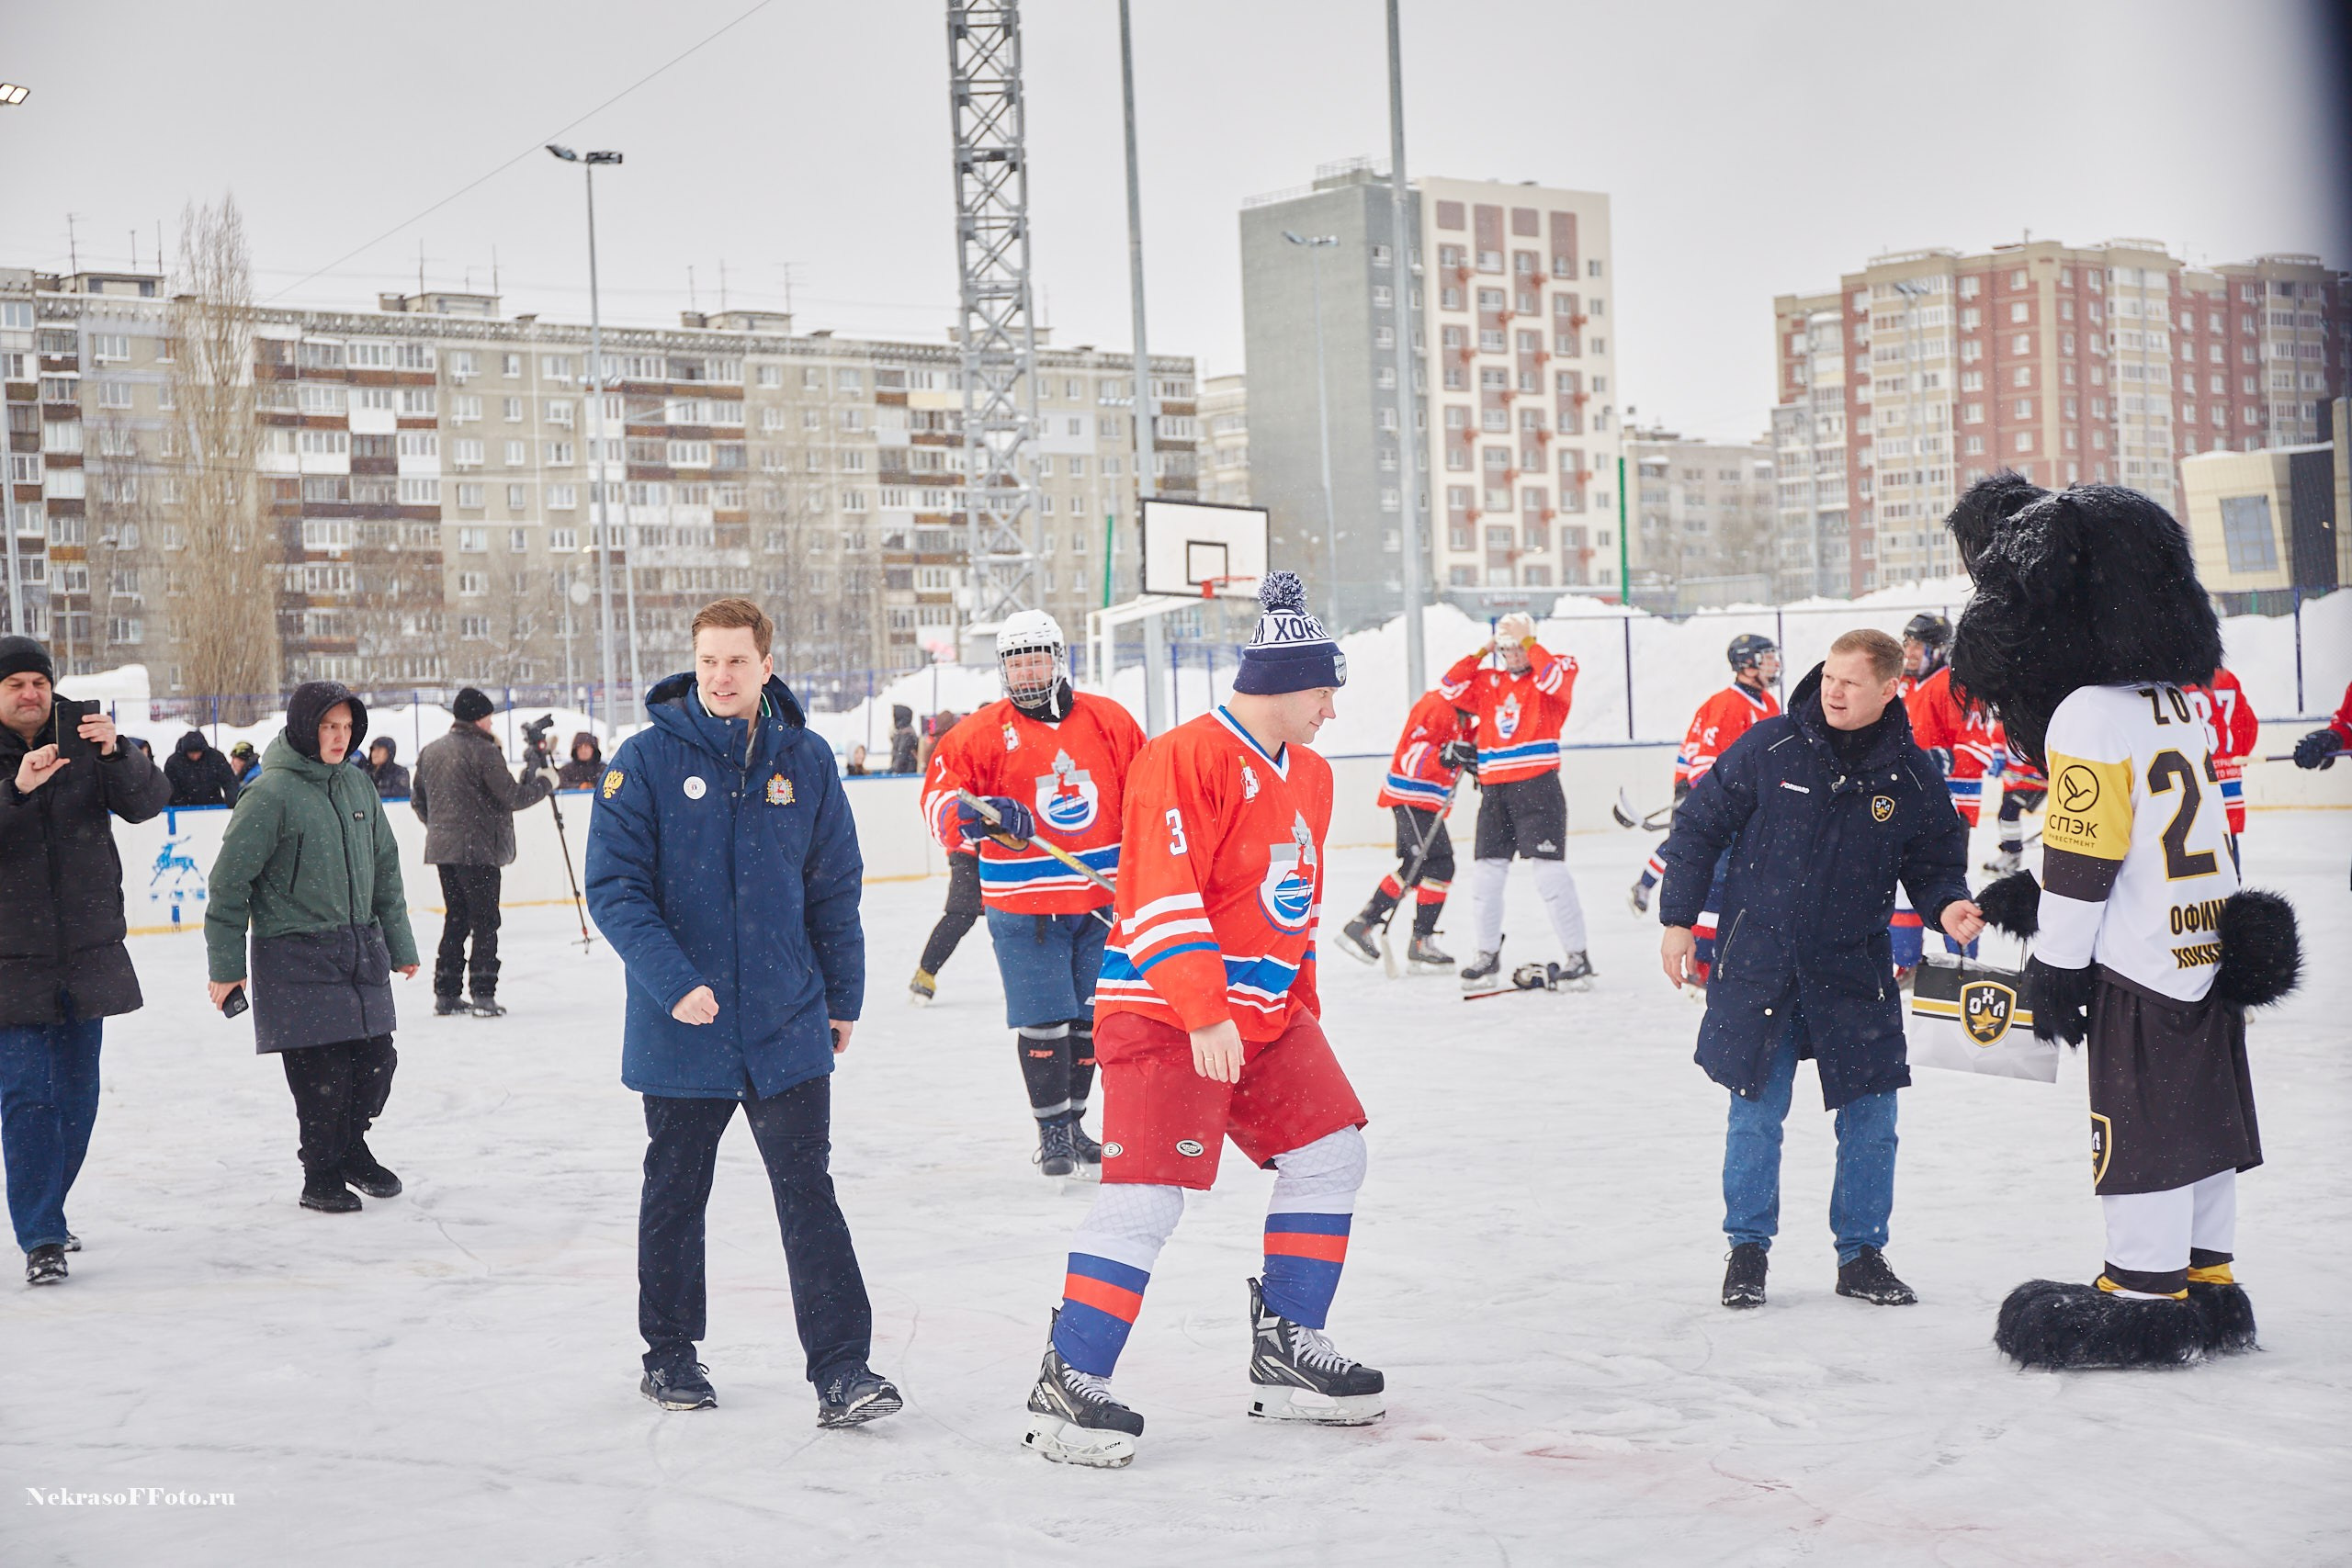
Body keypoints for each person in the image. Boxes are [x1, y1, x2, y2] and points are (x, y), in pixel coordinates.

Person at [1023, 572, 1380, 1470]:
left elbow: (1292, 909)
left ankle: (1288, 1347)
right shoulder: (1184, 757)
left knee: (1332, 1148)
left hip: (1262, 1016)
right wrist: (1200, 1007)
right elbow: (1160, 895)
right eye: (1323, 688)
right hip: (1164, 1015)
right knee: (1146, 1195)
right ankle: (1070, 1376)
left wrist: (1300, 1003)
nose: (1331, 708)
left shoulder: (1314, 776)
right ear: (1279, 683)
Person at [1947, 474, 2296, 1369]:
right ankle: (2208, 1281)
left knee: (2139, 1126)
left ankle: (2141, 1293)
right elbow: (2174, 831)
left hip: (2137, 967)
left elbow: (2085, 856)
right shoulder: (2175, 701)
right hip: (2203, 944)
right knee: (2206, 1122)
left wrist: (2056, 964)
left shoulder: (2086, 712)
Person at [584, 597, 898, 1427]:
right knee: (678, 1190)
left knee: (808, 1191)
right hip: (681, 1024)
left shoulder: (807, 760)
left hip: (786, 1018)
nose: (720, 676)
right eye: (708, 661)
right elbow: (615, 889)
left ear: (767, 665)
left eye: (736, 661)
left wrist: (842, 996)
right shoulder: (643, 762)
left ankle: (844, 1369)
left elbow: (834, 887)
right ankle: (671, 1353)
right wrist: (673, 979)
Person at [1657, 629, 1980, 1313]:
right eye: (1829, 676)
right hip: (1762, 962)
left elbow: (1934, 862)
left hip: (1852, 968)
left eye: (1851, 681)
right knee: (1755, 1114)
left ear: (1890, 687)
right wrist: (1679, 918)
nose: (1833, 690)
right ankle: (1747, 1250)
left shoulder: (1911, 774)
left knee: (1872, 1119)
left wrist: (1948, 905)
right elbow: (1698, 827)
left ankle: (1861, 1254)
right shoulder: (1770, 746)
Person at [921, 615, 1143, 1175]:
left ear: (1058, 658)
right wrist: (980, 817)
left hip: (1100, 904)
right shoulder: (978, 733)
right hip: (1024, 906)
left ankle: (1075, 1123)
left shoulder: (1110, 721)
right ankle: (1052, 1133)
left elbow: (1149, 793)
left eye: (1036, 658)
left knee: (1092, 1023)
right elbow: (940, 800)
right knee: (1043, 1021)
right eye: (1015, 661)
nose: (1026, 670)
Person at [205, 682, 422, 1214]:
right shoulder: (270, 793)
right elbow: (230, 883)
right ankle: (320, 1172)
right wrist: (226, 967)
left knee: (376, 1065)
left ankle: (350, 1148)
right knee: (323, 1080)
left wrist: (400, 944)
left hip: (360, 950)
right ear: (306, 728)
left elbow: (386, 871)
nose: (339, 737)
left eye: (347, 728)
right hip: (296, 954)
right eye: (329, 727)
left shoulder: (359, 787)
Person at [0, 636, 171, 1284]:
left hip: (87, 951)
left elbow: (148, 800)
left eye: (38, 682)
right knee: (25, 1097)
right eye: (15, 684)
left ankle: (50, 1205)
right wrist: (14, 791)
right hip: (11, 956)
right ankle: (40, 1233)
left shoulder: (85, 731)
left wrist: (118, 752)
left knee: (77, 1096)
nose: (30, 694)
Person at [1437, 612, 1592, 991]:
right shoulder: (1489, 681)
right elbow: (1449, 687)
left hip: (1538, 787)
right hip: (1495, 792)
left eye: (1518, 647)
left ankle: (1578, 956)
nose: (1513, 655)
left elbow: (1556, 682)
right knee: (1486, 875)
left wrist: (1529, 642)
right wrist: (1482, 650)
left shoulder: (1554, 669)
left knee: (1549, 874)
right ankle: (1486, 955)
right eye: (1505, 649)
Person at [1629, 636, 1781, 993]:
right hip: (1710, 802)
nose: (1774, 663)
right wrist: (1734, 802)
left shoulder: (1768, 702)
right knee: (1714, 875)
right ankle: (1702, 963)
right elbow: (1702, 767)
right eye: (1766, 657)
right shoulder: (1727, 705)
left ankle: (1726, 957)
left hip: (1742, 806)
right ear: (1746, 664)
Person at [410, 687, 556, 1018]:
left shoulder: (431, 751)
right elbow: (513, 798)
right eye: (488, 716)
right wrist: (547, 783)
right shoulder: (484, 751)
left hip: (444, 850)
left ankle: (446, 993)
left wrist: (440, 828)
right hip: (478, 851)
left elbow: (418, 800)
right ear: (478, 717)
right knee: (486, 921)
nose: (491, 723)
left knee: (457, 919)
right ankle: (483, 993)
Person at [1335, 686, 1473, 971]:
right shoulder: (1438, 707)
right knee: (1439, 865)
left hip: (1422, 803)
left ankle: (1363, 925)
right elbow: (1415, 753)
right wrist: (1444, 756)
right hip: (1411, 799)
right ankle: (1417, 940)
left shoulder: (1464, 722)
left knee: (1418, 867)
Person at [1891, 612, 1994, 974]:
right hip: (1907, 804)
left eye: (1918, 645)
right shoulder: (1904, 685)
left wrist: (1937, 759)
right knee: (1900, 884)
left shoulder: (1955, 686)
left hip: (1949, 807)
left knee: (1947, 883)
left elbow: (1980, 750)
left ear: (1939, 650)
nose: (1910, 652)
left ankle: (1963, 961)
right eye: (1907, 643)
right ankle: (1905, 963)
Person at [906, 839, 978, 1003]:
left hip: (1007, 851)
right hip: (968, 851)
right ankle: (925, 975)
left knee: (1008, 917)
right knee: (961, 915)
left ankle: (1020, 979)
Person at [165, 728, 242, 808]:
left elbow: (229, 780)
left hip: (214, 807)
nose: (195, 756)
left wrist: (232, 798)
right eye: (191, 754)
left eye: (197, 753)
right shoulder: (174, 763)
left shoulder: (215, 758)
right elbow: (171, 788)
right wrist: (181, 806)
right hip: (184, 810)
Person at [359, 736, 410, 800]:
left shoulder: (400, 772)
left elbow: (400, 794)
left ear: (389, 752)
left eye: (379, 750)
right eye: (373, 749)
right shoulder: (363, 772)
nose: (375, 753)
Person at [888, 705, 919, 774]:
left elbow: (901, 755)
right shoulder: (901, 733)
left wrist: (894, 770)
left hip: (906, 772)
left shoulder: (906, 735)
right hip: (905, 771)